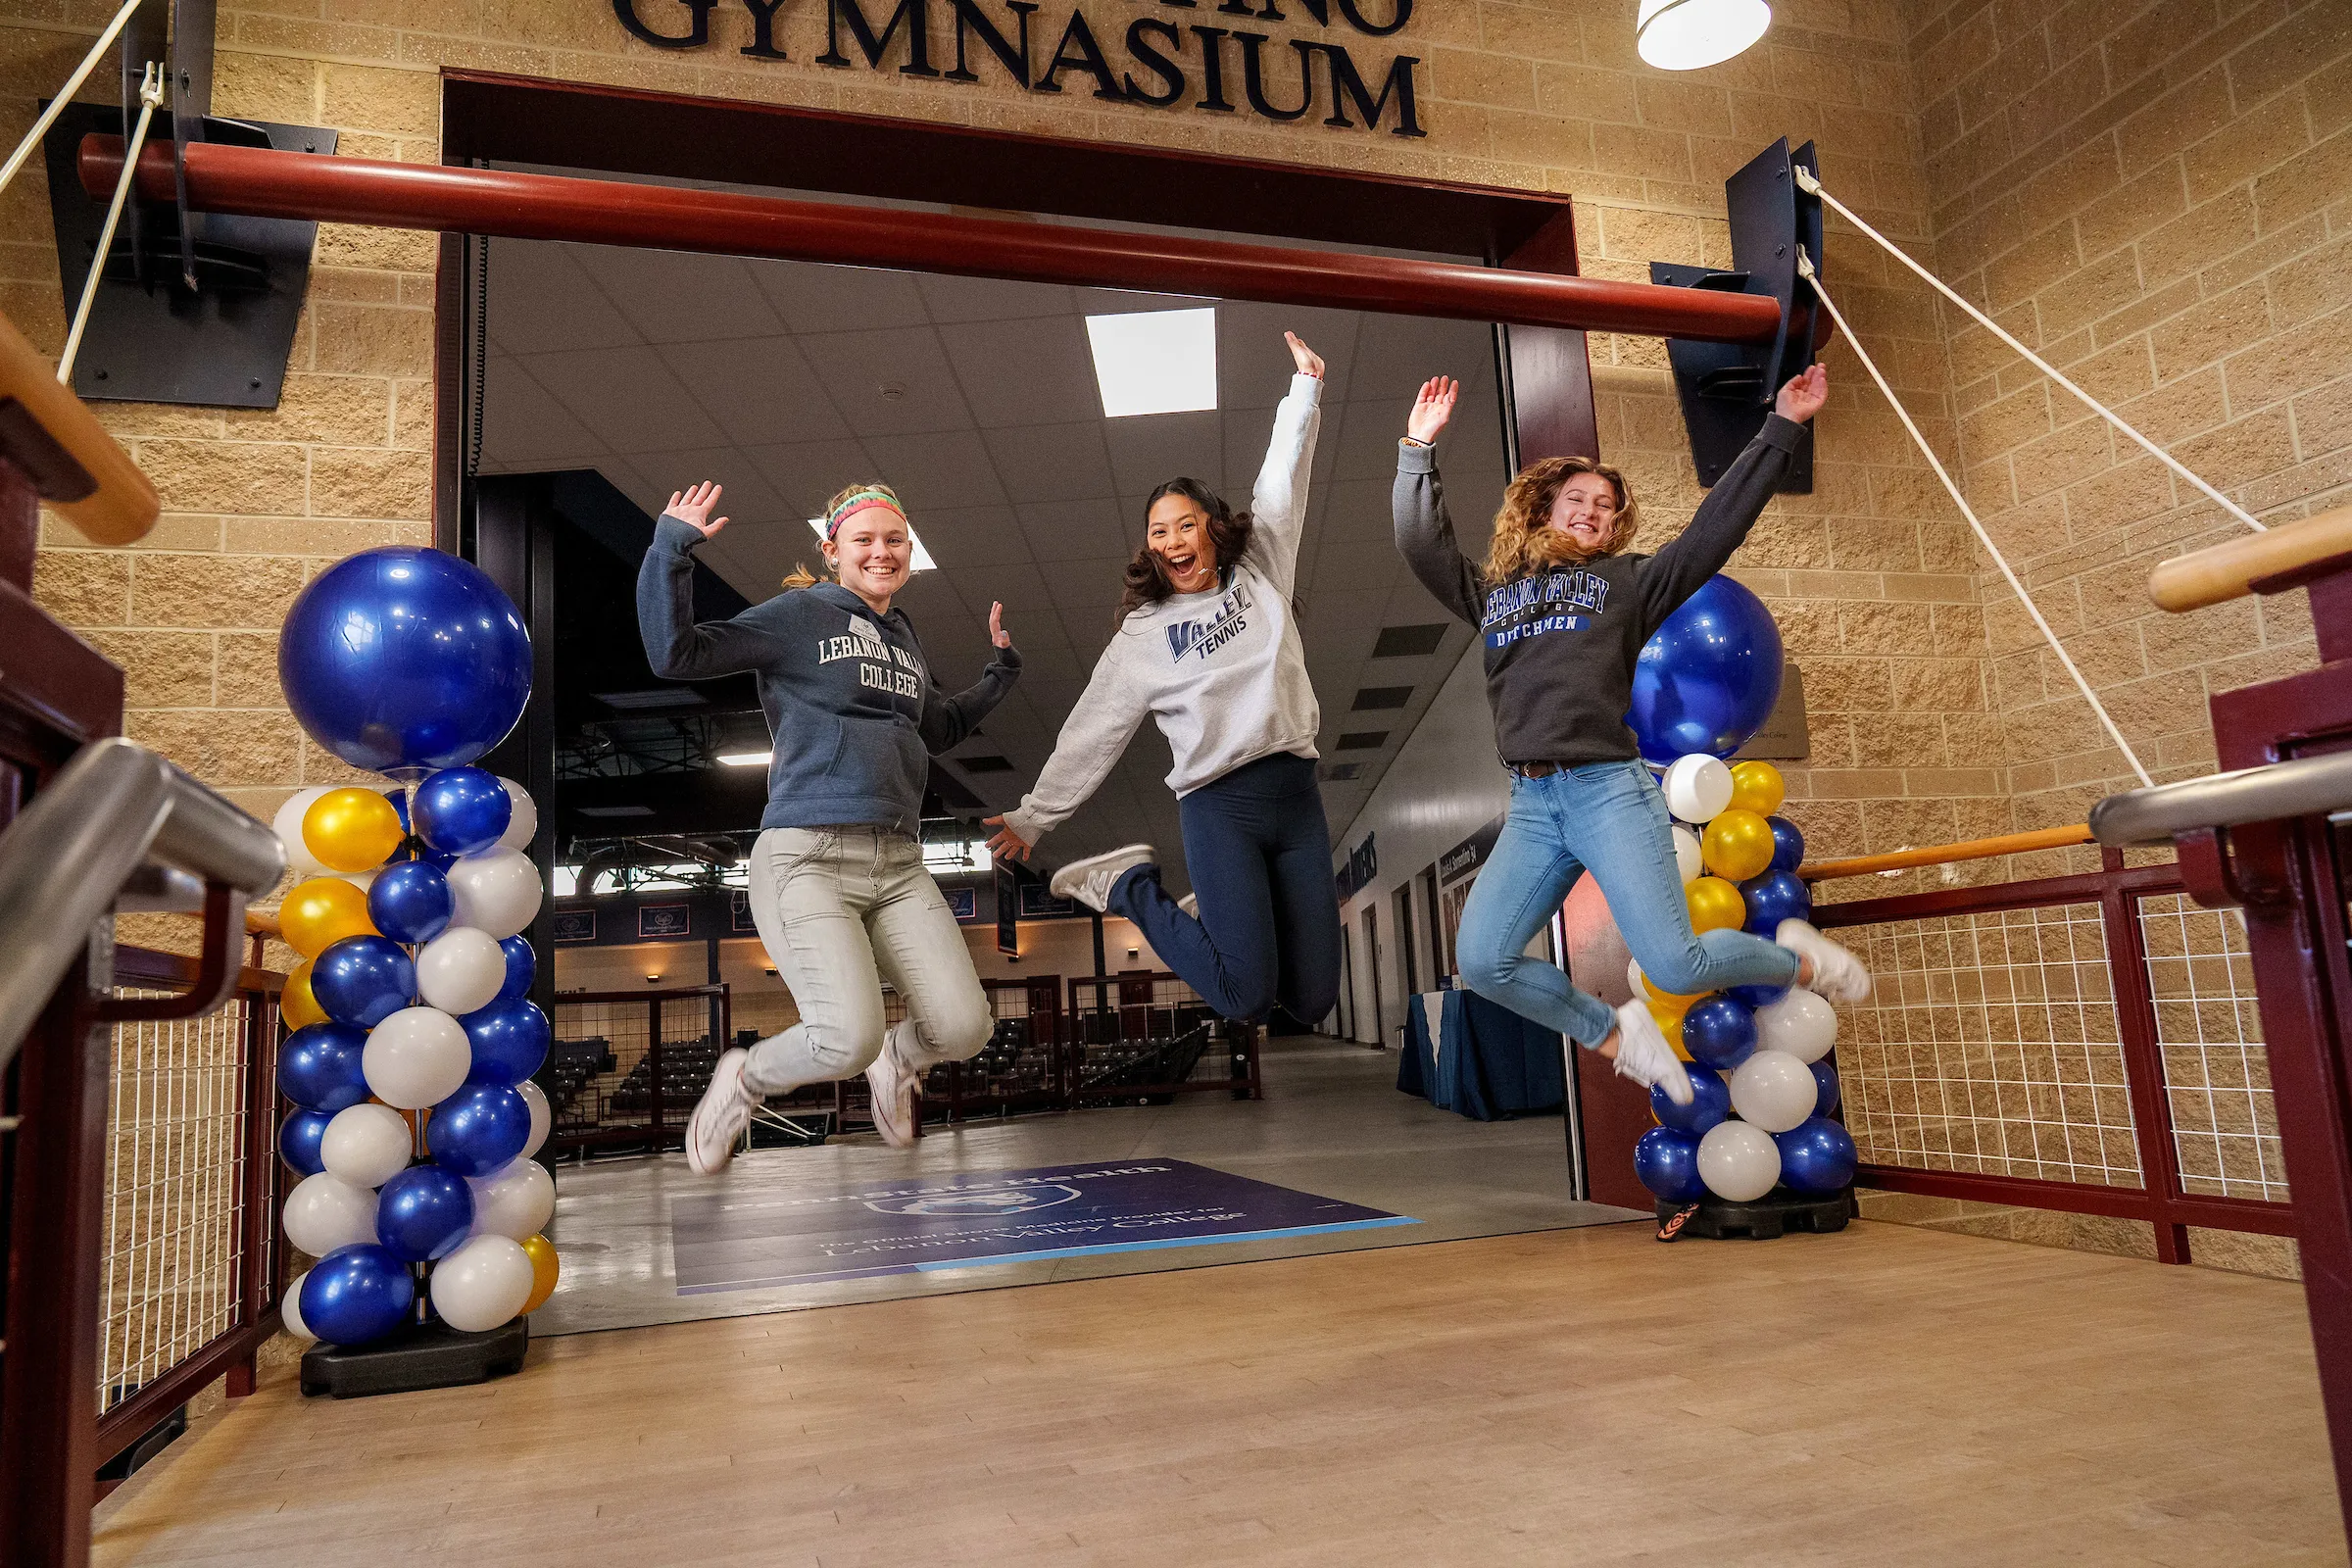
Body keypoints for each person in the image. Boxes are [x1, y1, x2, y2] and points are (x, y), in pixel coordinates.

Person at [1393, 365, 1869, 1105]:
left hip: (1607, 791)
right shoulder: (1495, 594)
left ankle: (1797, 963)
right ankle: (1617, 1036)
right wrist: (1417, 451)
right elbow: (1422, 546)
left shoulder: (1630, 583)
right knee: (1484, 961)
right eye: (1576, 499)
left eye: (1606, 507)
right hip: (1530, 802)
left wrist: (1783, 427)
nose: (1591, 512)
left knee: (1675, 965)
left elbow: (1717, 528)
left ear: (1616, 527)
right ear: (1543, 510)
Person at [640, 479, 1021, 1170]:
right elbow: (677, 655)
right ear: (832, 550)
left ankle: (899, 1064)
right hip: (808, 856)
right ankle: (744, 1080)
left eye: (895, 540)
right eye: (865, 540)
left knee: (964, 1029)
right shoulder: (800, 615)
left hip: (898, 863)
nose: (883, 552)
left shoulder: (901, 636)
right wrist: (672, 546)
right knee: (847, 1039)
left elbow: (936, 725)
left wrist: (1001, 673)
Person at [984, 331, 1340, 1032]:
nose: (1172, 541)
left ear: (1212, 527)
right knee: (1243, 998)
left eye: (1185, 525)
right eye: (1158, 531)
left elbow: (1281, 481)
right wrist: (1035, 817)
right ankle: (1129, 887)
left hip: (1296, 798)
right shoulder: (1143, 636)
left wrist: (1304, 394)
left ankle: (1196, 911)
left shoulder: (1262, 568)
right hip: (1220, 807)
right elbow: (1093, 729)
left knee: (1311, 1000)